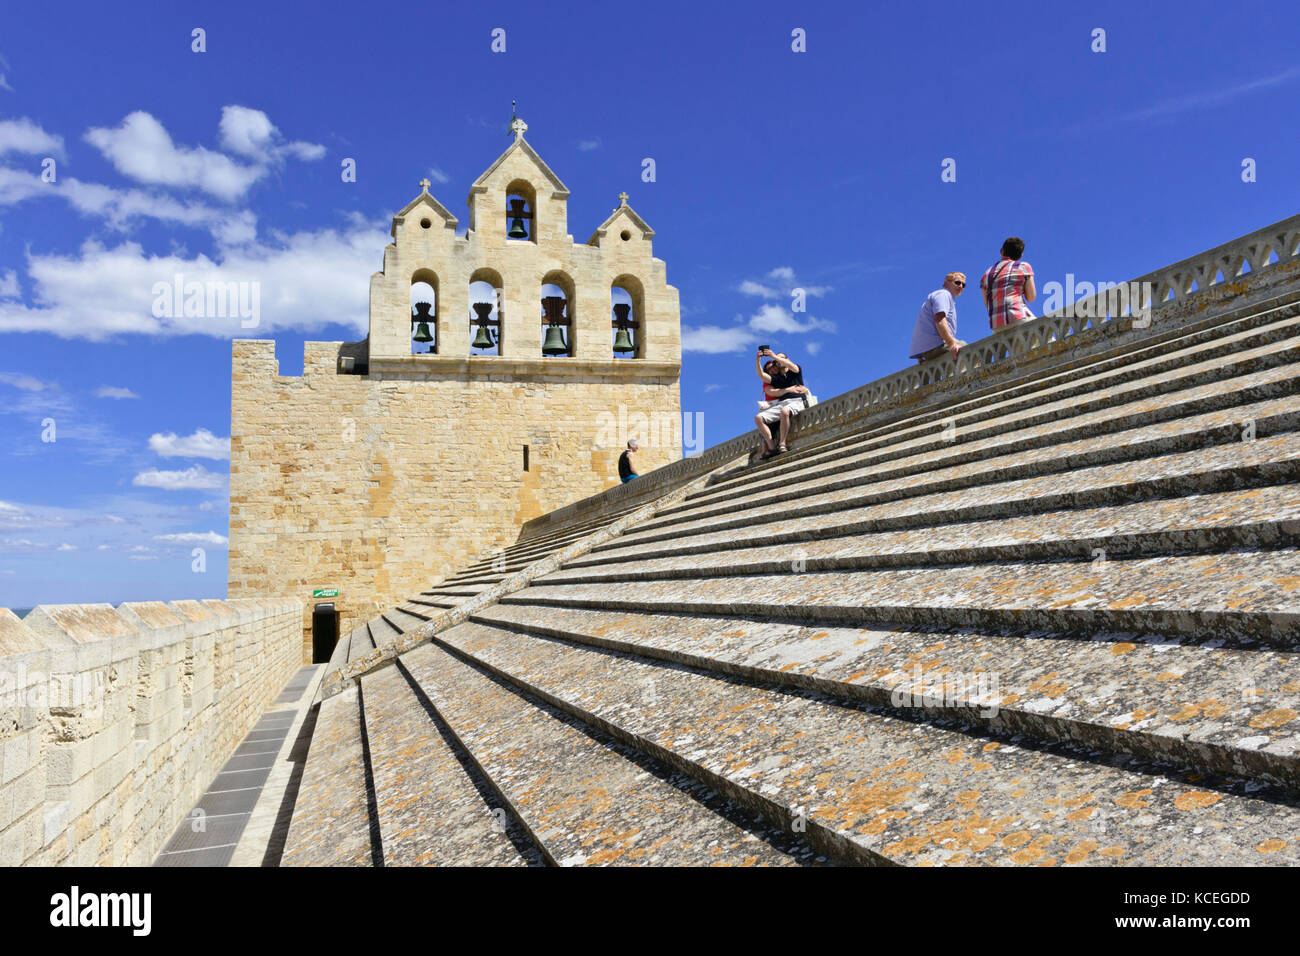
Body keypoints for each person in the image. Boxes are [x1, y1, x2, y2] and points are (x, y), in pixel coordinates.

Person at [753, 347, 809, 458]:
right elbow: (761, 376)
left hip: (797, 401)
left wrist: (774, 356)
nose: (779, 360)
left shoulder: (795, 370)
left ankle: (782, 444)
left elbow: (793, 367)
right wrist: (758, 360)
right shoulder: (777, 378)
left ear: (787, 359)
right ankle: (772, 447)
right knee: (758, 418)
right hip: (781, 403)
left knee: (785, 411)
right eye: (777, 360)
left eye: (782, 358)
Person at [909, 272, 967, 363]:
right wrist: (952, 344)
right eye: (957, 282)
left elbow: (924, 323)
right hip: (936, 346)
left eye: (963, 285)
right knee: (967, 350)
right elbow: (939, 319)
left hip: (927, 350)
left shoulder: (940, 296)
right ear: (946, 282)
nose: (960, 286)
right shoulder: (943, 294)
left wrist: (920, 355)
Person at [980, 237, 1036, 329]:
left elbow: (987, 304)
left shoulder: (987, 274)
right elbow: (1031, 298)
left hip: (997, 325)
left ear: (1002, 251)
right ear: (1020, 255)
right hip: (1018, 317)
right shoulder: (1023, 267)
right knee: (1051, 340)